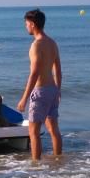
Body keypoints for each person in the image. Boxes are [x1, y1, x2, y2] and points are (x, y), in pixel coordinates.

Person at [17, 8, 62, 160]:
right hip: (52, 90)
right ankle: (58, 161)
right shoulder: (52, 43)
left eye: (26, 23)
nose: (26, 26)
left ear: (33, 24)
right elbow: (58, 70)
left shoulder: (36, 45)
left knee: (34, 132)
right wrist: (58, 90)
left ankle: (36, 166)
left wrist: (25, 98)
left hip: (41, 91)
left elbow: (34, 73)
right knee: (53, 130)